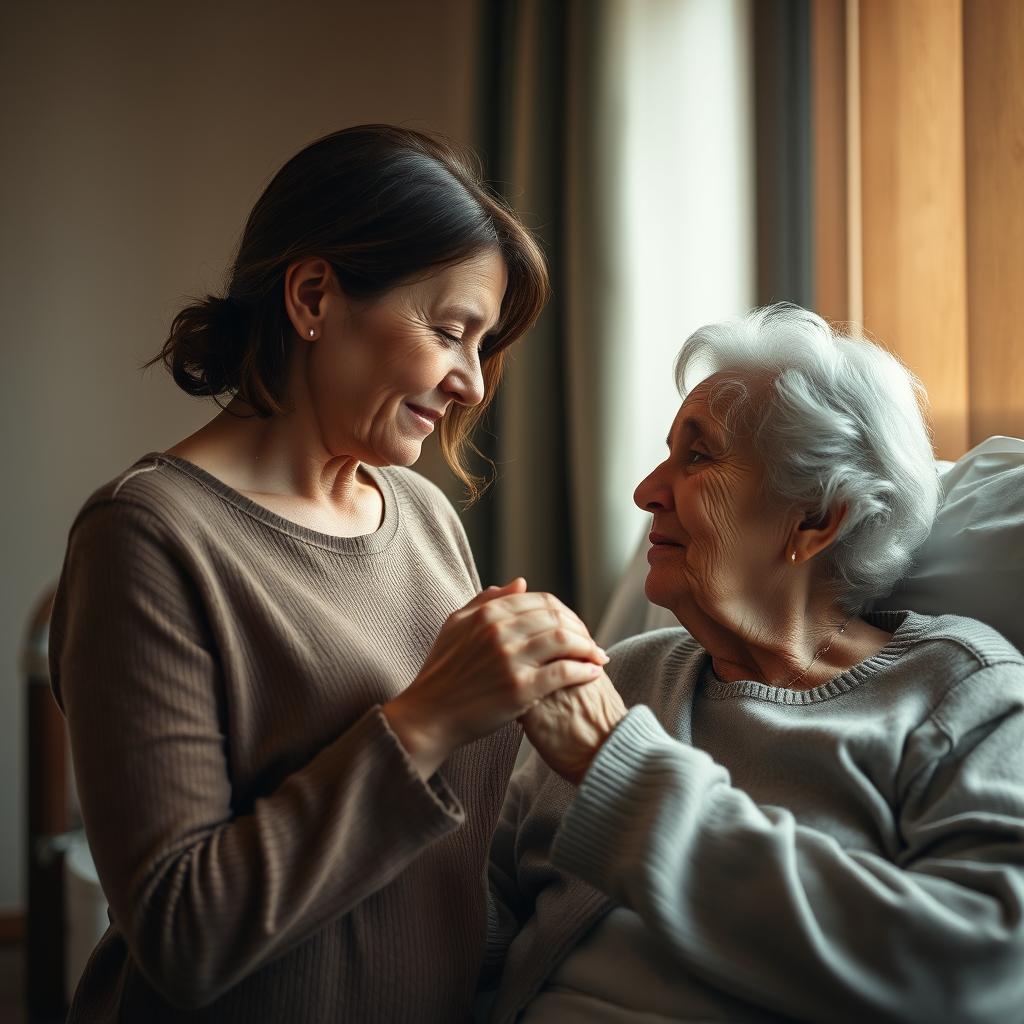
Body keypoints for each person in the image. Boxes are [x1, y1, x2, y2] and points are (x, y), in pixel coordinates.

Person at [48, 124, 609, 1023]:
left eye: (483, 344)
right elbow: (181, 932)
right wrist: (424, 720)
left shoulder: (421, 515)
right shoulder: (146, 538)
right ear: (313, 296)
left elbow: (464, 856)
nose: (472, 381)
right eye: (451, 330)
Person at [484, 304, 1024, 1023]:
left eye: (697, 456)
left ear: (815, 517)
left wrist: (620, 769)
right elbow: (474, 926)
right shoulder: (621, 675)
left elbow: (979, 973)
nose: (647, 491)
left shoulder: (960, 695)